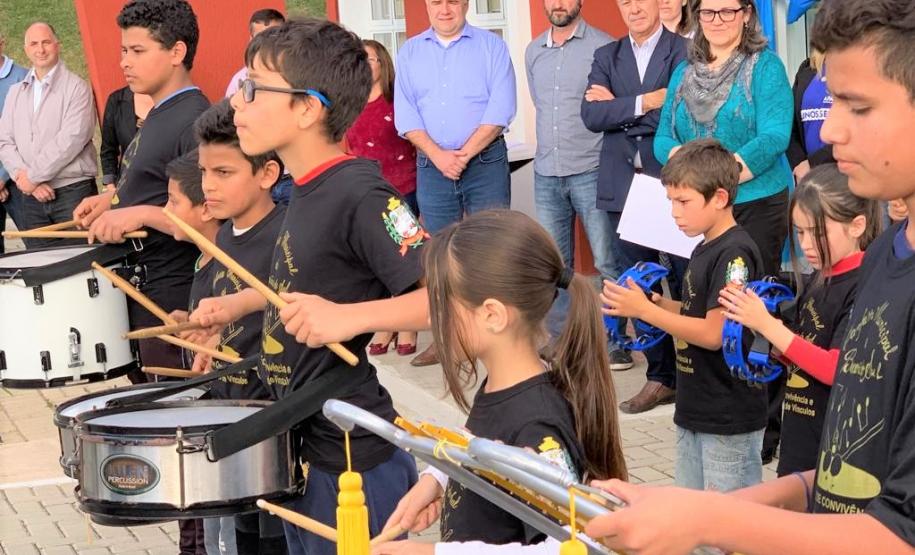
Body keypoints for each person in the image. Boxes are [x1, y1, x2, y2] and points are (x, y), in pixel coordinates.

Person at [581, 1, 915, 552]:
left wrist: (711, 522)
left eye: (857, 107)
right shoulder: (884, 257)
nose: (829, 129)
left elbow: (898, 533)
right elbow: (856, 471)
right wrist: (708, 506)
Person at [190, 19, 431, 555]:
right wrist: (241, 303)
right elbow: (310, 281)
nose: (237, 104)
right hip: (308, 449)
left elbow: (445, 300)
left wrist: (349, 320)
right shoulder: (303, 187)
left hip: (355, 461)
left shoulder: (363, 193)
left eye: (254, 89)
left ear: (306, 109)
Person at [374, 209, 627, 554]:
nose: (433, 319)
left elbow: (566, 547)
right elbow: (482, 446)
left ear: (492, 315)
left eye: (442, 303)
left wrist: (435, 553)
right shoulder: (503, 384)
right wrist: (437, 478)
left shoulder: (537, 424)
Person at [654, 0, 793, 462]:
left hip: (755, 204)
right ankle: (712, 407)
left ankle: (765, 426)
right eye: (708, 12)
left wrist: (716, 175)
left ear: (747, 14)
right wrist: (692, 176)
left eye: (727, 11)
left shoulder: (765, 67)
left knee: (752, 317)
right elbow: (663, 137)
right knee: (704, 305)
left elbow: (775, 135)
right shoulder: (684, 71)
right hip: (701, 207)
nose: (716, 20)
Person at [602, 139, 765, 492]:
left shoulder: (734, 254)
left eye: (683, 201)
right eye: (671, 201)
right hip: (696, 409)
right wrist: (655, 304)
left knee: (725, 519)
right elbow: (695, 312)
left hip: (726, 416)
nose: (674, 212)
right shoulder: (704, 246)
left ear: (719, 198)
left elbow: (714, 333)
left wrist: (644, 311)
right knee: (691, 512)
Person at [73, 0, 210, 386]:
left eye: (137, 51)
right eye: (123, 51)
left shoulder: (194, 121)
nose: (124, 62)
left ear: (176, 52)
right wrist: (113, 200)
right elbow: (157, 186)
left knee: (174, 407)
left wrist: (139, 214)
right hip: (143, 288)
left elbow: (210, 221)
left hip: (174, 295)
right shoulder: (160, 111)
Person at [720, 164, 880, 476]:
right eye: (800, 232)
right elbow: (802, 352)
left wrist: (769, 326)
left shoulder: (864, 285)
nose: (805, 244)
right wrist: (759, 331)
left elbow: (836, 368)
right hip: (799, 441)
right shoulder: (819, 279)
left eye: (817, 232)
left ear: (857, 225)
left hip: (833, 452)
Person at [188, 100, 288, 555]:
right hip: (235, 415)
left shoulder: (287, 234)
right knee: (243, 537)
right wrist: (209, 336)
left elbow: (287, 303)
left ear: (267, 174)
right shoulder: (226, 233)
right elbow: (233, 316)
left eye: (223, 172)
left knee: (274, 542)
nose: (208, 186)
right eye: (204, 172)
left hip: (274, 423)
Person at [395, 0, 517, 367]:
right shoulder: (410, 52)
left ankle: (497, 336)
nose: (445, 9)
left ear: (465, 4)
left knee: (491, 248)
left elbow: (501, 108)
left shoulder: (492, 47)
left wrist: (462, 155)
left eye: (453, 1)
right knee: (438, 253)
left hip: (485, 161)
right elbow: (406, 114)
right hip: (432, 165)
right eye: (437, 1)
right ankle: (449, 337)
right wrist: (439, 155)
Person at [580, 0, 689, 409]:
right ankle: (661, 377)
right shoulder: (606, 55)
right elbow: (592, 115)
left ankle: (697, 374)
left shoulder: (683, 50)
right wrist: (647, 101)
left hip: (673, 182)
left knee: (687, 280)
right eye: (625, 1)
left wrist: (620, 106)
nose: (634, 8)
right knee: (638, 283)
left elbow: (682, 114)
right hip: (624, 187)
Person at [524, 0, 614, 347]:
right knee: (554, 264)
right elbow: (541, 104)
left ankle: (614, 341)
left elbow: (612, 108)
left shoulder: (604, 46)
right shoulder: (534, 51)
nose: (558, 4)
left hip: (591, 169)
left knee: (607, 260)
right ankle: (561, 339)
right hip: (546, 172)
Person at [347, 39, 419, 357]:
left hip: (402, 190)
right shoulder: (350, 103)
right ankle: (386, 322)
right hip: (366, 194)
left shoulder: (396, 101)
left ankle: (408, 323)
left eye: (370, 59)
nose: (364, 64)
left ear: (383, 63)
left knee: (404, 259)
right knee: (375, 260)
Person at [0, 22, 97, 248]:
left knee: (82, 260)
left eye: (46, 42)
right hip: (30, 199)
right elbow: (4, 141)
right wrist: (26, 180)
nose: (40, 49)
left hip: (72, 192)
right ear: (26, 49)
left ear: (57, 45)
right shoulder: (16, 92)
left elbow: (71, 140)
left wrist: (32, 178)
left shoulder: (77, 88)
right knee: (42, 264)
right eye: (34, 44)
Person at [224, 8, 291, 206]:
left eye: (274, 36)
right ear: (250, 39)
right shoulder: (238, 81)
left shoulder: (297, 78)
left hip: (292, 177)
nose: (267, 44)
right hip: (258, 180)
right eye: (261, 37)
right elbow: (229, 128)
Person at [786, 48, 835, 183]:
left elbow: (861, 130)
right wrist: (800, 164)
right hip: (810, 179)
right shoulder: (807, 70)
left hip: (848, 175)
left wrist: (813, 163)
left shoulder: (864, 70)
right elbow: (790, 126)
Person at [0, 31, 28, 250]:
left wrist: (2, 176)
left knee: (37, 244)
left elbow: (26, 135)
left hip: (18, 179)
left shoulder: (23, 78)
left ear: (1, 43)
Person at [99, 86, 153, 187]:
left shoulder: (173, 98)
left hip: (169, 185)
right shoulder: (117, 100)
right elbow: (108, 150)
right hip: (130, 185)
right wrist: (110, 185)